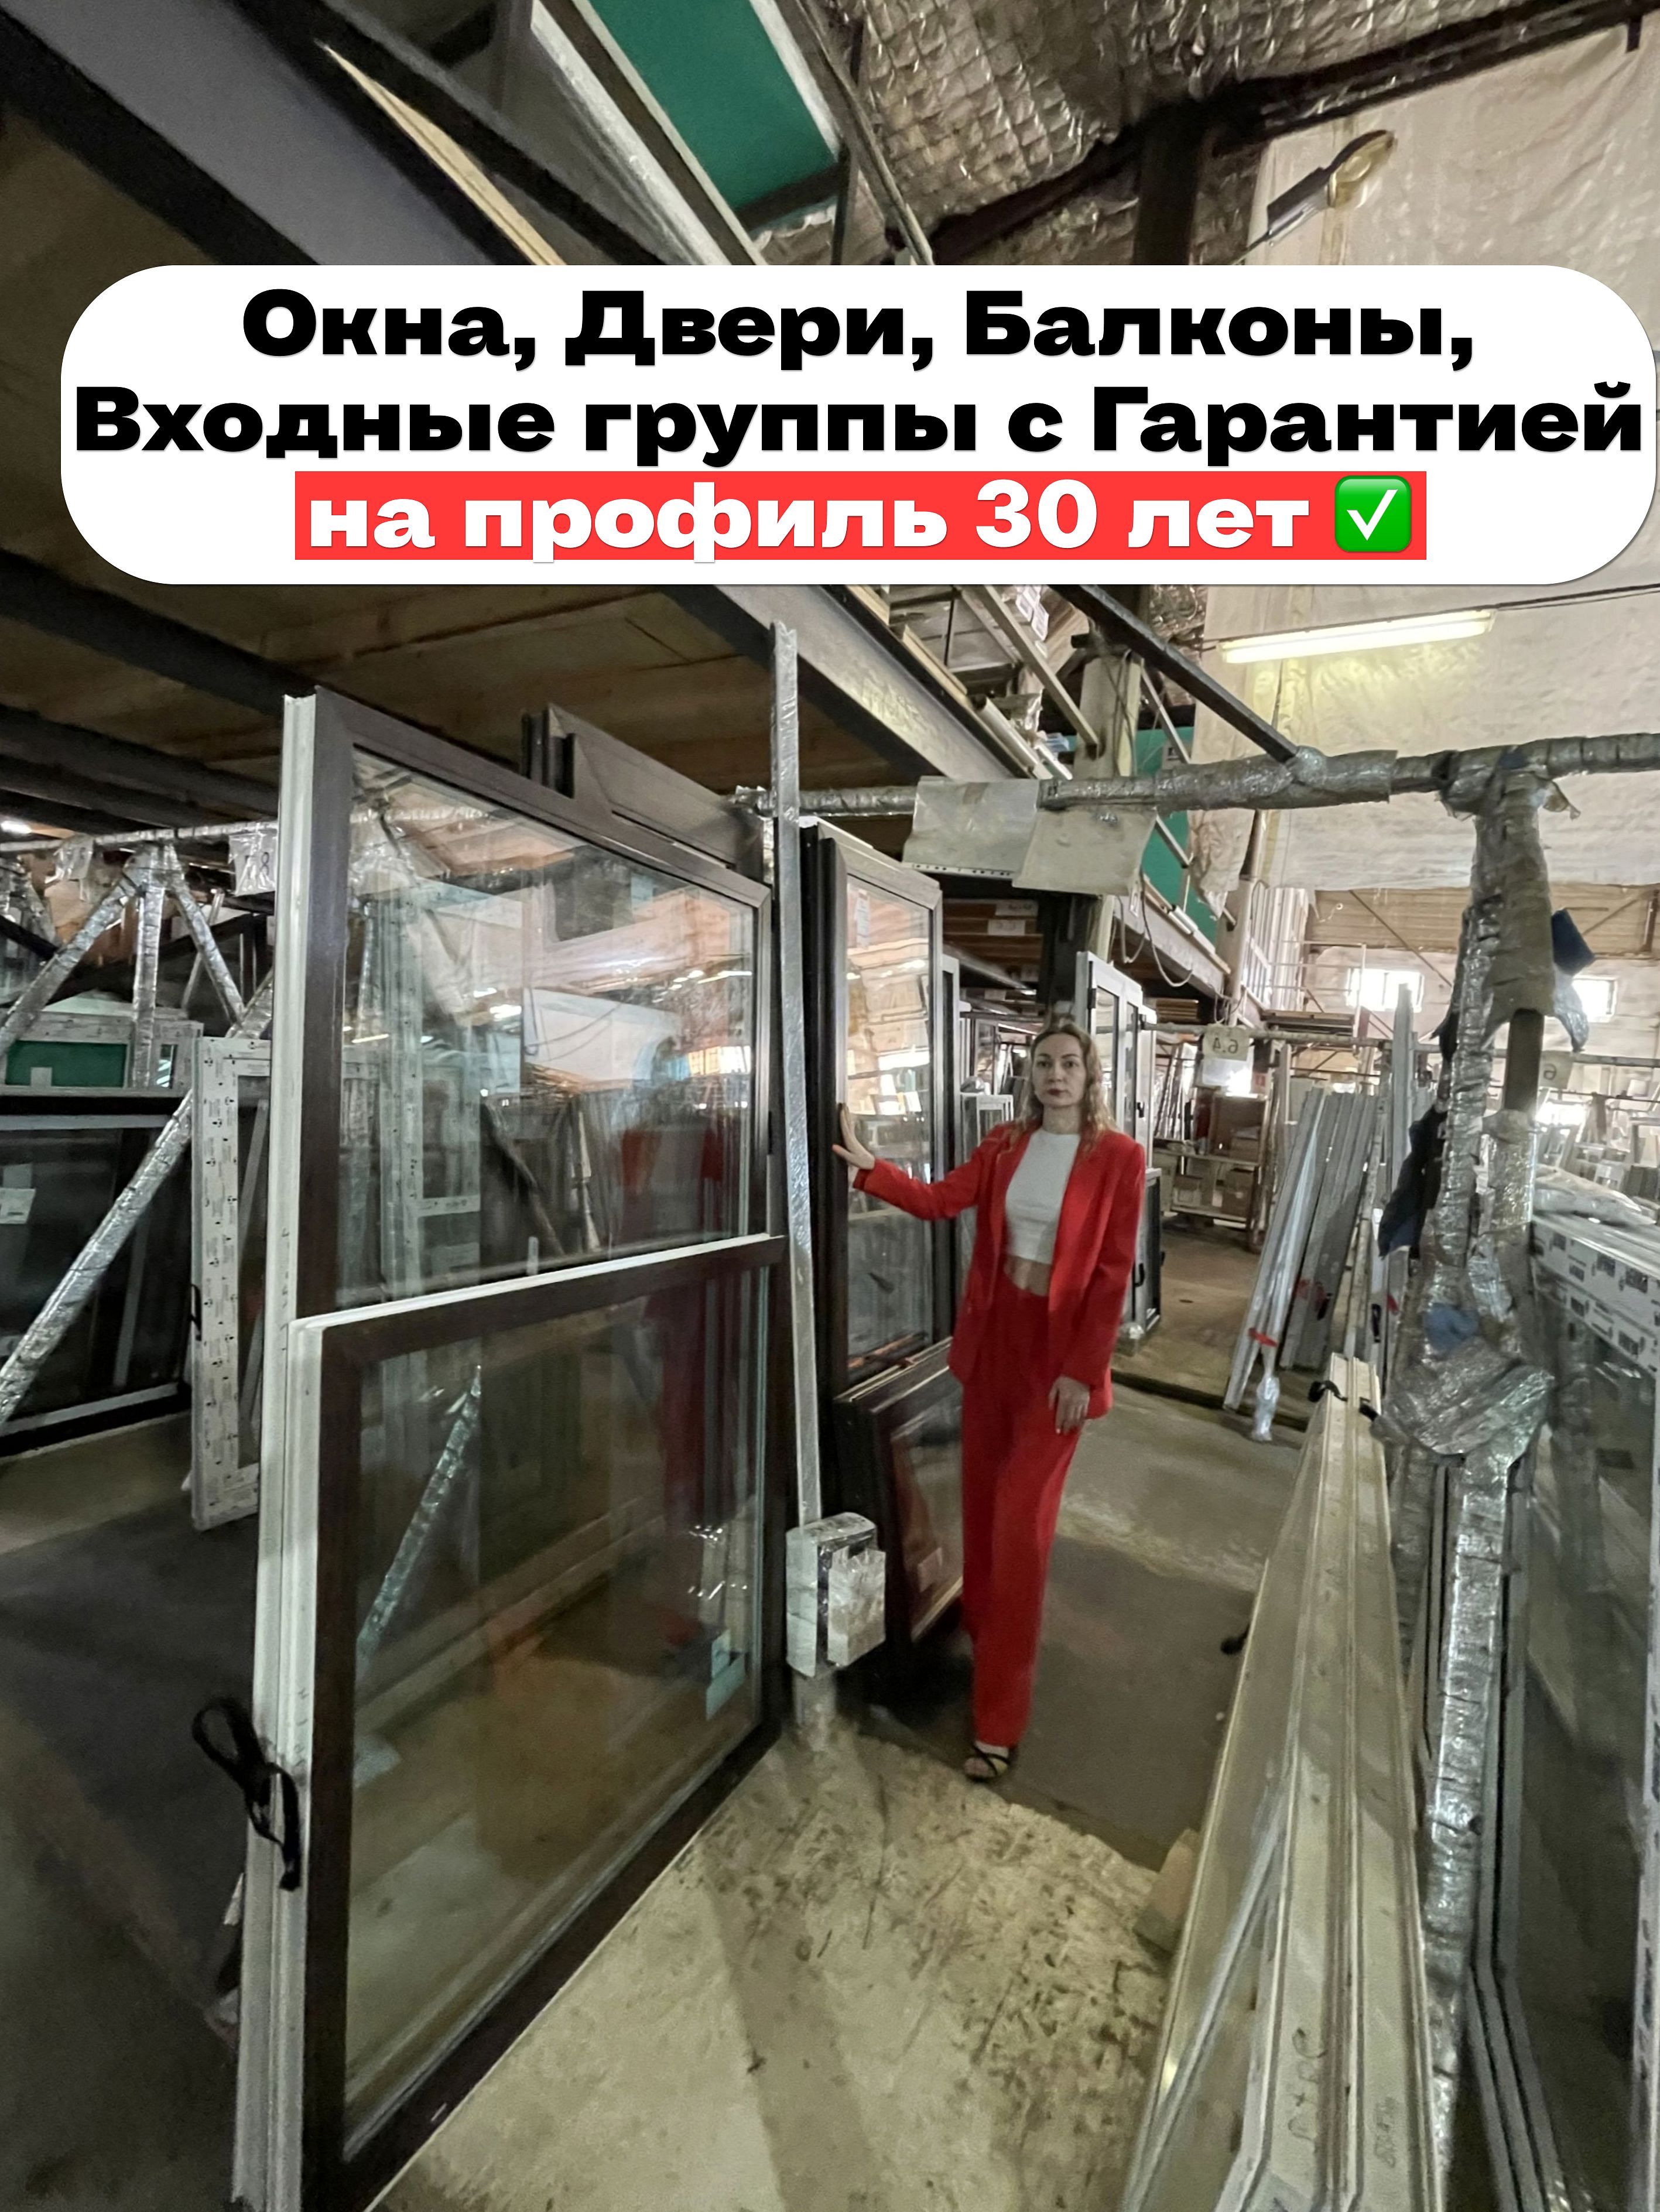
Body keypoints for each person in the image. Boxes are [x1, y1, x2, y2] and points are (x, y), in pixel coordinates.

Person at [834, 1019, 1145, 1784]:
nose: (1056, 1075)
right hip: (994, 1344)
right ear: (1028, 1076)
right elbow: (942, 1200)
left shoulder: (1119, 1157)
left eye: (1069, 1063)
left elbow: (1112, 1275)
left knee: (1018, 1530)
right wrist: (872, 1170)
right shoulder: (1006, 1145)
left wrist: (1082, 1371)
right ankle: (986, 1636)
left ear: (1090, 1074)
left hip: (1058, 1365)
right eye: (1043, 1064)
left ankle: (999, 1719)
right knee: (980, 1510)